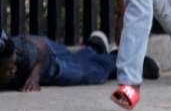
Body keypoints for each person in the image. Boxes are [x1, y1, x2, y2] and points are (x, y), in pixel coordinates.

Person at [0, 29, 159, 92]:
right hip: (44, 56)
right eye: (8, 69)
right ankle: (94, 47)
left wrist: (34, 76)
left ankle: (123, 61)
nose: (13, 70)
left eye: (13, 65)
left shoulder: (22, 54)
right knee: (77, 59)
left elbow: (41, 46)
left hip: (47, 60)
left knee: (91, 73)